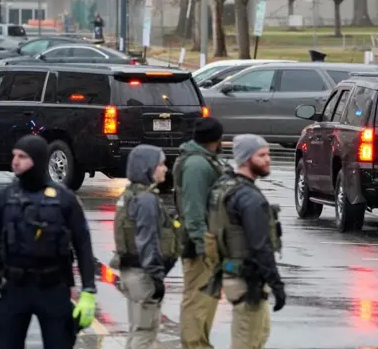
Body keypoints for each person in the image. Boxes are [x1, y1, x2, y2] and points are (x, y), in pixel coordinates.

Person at [0, 135, 97, 349]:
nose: (15, 161)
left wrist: (88, 291)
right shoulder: (3, 198)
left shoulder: (65, 199)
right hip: (12, 287)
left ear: (36, 160)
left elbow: (83, 245)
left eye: (22, 156)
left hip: (53, 287)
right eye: (14, 156)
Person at [202, 134, 286, 349]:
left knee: (258, 334)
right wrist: (276, 284)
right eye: (262, 155)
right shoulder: (248, 197)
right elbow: (260, 245)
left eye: (268, 154)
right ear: (247, 158)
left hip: (231, 273)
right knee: (248, 340)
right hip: (247, 280)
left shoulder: (225, 186)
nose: (268, 159)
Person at [113, 144, 181, 348]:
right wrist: (156, 276)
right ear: (147, 168)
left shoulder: (130, 196)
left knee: (136, 330)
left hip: (130, 272)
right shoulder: (147, 201)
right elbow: (147, 240)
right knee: (145, 333)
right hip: (144, 275)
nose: (165, 169)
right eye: (160, 164)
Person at [172, 117, 226, 348]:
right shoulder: (197, 166)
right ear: (216, 139)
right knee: (198, 301)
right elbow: (193, 212)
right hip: (199, 248)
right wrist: (205, 248)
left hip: (204, 243)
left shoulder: (202, 161)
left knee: (203, 302)